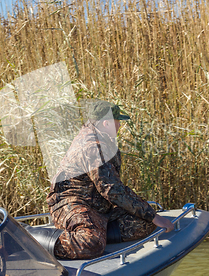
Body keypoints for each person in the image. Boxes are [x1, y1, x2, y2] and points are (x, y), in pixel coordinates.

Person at [46, 100, 174, 260]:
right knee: (91, 244)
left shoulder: (100, 138)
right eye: (117, 121)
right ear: (106, 123)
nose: (120, 125)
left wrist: (149, 217)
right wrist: (153, 215)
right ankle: (33, 240)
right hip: (72, 204)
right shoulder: (92, 147)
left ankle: (99, 231)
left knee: (143, 224)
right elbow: (112, 189)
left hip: (98, 207)